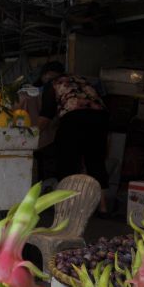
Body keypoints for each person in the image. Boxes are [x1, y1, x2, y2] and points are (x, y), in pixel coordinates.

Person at [36, 61, 111, 214]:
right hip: (100, 119)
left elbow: (46, 116)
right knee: (96, 162)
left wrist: (31, 133)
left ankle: (68, 207)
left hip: (75, 121)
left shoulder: (53, 83)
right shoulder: (81, 79)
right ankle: (103, 208)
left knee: (67, 163)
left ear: (47, 75)